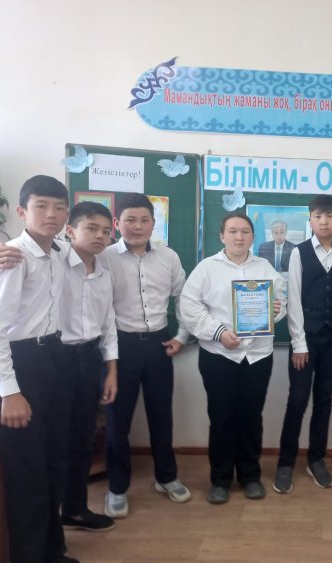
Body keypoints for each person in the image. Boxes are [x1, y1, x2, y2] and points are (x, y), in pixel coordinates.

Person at [0, 202, 120, 534]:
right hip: (55, 358)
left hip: (89, 358)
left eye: (105, 231)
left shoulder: (103, 269)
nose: (99, 236)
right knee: (54, 444)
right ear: (71, 230)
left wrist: (110, 368)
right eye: (91, 228)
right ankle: (48, 526)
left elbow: (108, 322)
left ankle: (75, 508)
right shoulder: (52, 257)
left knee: (81, 436)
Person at [0, 175, 77, 563]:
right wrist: (10, 391)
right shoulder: (12, 257)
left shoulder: (58, 251)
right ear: (22, 211)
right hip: (22, 367)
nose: (51, 214)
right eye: (41, 206)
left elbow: (92, 248)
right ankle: (29, 556)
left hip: (54, 357)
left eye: (59, 208)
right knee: (27, 472)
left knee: (54, 463)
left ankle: (52, 550)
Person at [180, 212, 286, 504]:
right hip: (219, 355)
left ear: (253, 237)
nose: (239, 236)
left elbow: (282, 303)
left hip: (257, 356)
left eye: (245, 231)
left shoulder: (265, 267)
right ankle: (220, 479)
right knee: (222, 417)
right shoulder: (206, 268)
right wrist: (218, 332)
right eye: (233, 231)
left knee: (252, 417)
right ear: (222, 236)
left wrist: (277, 309)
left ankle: (251, 476)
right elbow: (189, 307)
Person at [101, 193, 191, 518]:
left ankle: (166, 477)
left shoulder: (169, 257)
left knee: (161, 417)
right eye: (130, 220)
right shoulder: (105, 257)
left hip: (158, 346)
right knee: (117, 422)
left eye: (144, 220)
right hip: (119, 348)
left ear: (154, 223)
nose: (137, 226)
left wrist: (182, 336)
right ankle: (117, 487)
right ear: (117, 223)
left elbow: (184, 298)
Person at [272, 195, 332, 494]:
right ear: (310, 220)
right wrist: (299, 343)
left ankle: (316, 459)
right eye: (318, 216)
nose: (324, 221)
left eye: (329, 216)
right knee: (297, 400)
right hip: (305, 340)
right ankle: (285, 463)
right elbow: (293, 298)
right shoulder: (299, 252)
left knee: (324, 399)